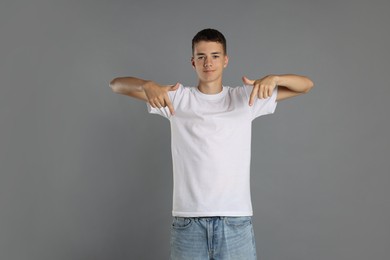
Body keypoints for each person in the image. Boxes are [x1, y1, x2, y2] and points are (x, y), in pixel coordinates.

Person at [110, 28, 313, 260]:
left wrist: (276, 78)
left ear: (225, 60)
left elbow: (306, 85)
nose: (208, 63)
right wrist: (147, 85)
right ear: (193, 61)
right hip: (188, 223)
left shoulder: (245, 98)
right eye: (201, 56)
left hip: (235, 222)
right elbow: (116, 85)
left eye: (215, 56)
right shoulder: (177, 98)